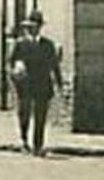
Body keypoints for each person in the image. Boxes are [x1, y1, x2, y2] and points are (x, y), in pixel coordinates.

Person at [7, 9, 63, 157]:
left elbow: (54, 65)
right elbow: (11, 63)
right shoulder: (21, 44)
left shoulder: (47, 45)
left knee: (40, 117)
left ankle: (38, 145)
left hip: (42, 85)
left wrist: (59, 83)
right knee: (24, 114)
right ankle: (24, 141)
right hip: (25, 86)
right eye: (29, 27)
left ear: (39, 27)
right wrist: (15, 74)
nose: (32, 29)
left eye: (35, 26)